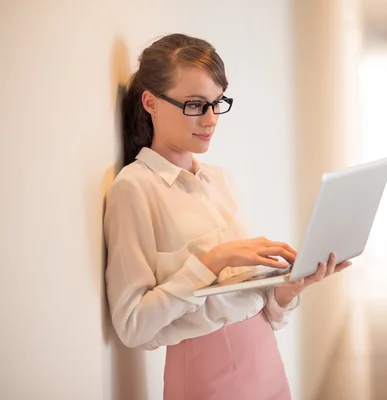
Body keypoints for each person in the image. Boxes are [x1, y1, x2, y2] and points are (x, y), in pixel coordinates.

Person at [103, 33, 352, 400]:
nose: (210, 119)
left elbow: (253, 305)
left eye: (217, 103)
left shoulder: (221, 180)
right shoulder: (134, 189)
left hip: (266, 360)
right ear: (151, 102)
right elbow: (132, 325)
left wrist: (288, 288)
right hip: (206, 376)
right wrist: (212, 262)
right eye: (195, 104)